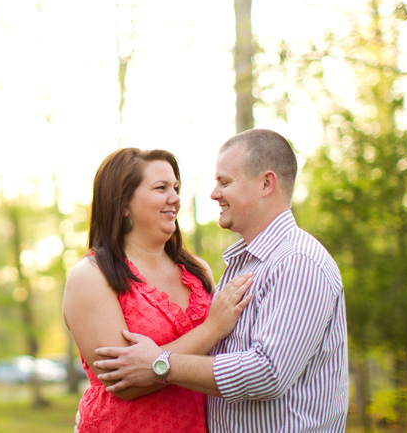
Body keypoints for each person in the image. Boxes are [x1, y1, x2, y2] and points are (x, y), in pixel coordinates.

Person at [93, 129, 349, 432]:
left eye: (224, 182)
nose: (214, 194)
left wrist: (160, 363)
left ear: (266, 184)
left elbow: (267, 373)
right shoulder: (245, 263)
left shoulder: (298, 262)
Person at [62, 148, 253, 432]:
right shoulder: (91, 276)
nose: (175, 198)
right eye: (161, 188)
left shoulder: (198, 272)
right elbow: (123, 384)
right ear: (124, 204)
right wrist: (212, 328)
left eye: (175, 187)